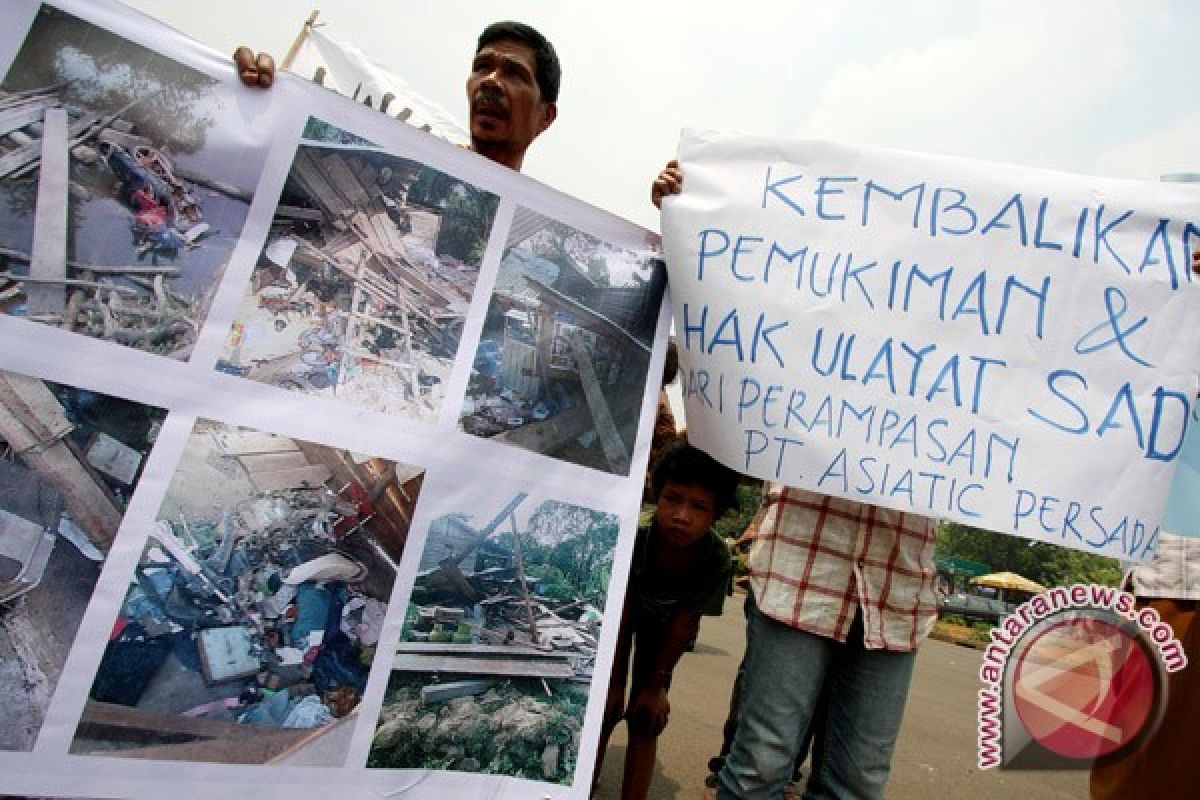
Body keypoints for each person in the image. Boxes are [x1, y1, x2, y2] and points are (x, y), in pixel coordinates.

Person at [654, 164, 939, 800]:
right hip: (801, 564)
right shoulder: (810, 307)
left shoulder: (958, 337)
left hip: (897, 582)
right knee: (759, 766)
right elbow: (726, 295)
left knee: (857, 784)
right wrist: (687, 217)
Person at [597, 441, 739, 800]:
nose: (682, 515)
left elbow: (685, 624)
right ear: (656, 496)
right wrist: (613, 681)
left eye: (699, 507)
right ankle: (582, 785)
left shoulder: (716, 558)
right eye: (672, 499)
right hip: (622, 616)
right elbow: (622, 613)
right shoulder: (636, 534)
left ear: (716, 515)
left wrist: (655, 687)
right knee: (604, 708)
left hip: (667, 629)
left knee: (645, 719)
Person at [234, 20, 558, 173]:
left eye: (514, 74)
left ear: (545, 117)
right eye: (482, 67)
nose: (490, 81)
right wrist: (251, 103)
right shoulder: (400, 162)